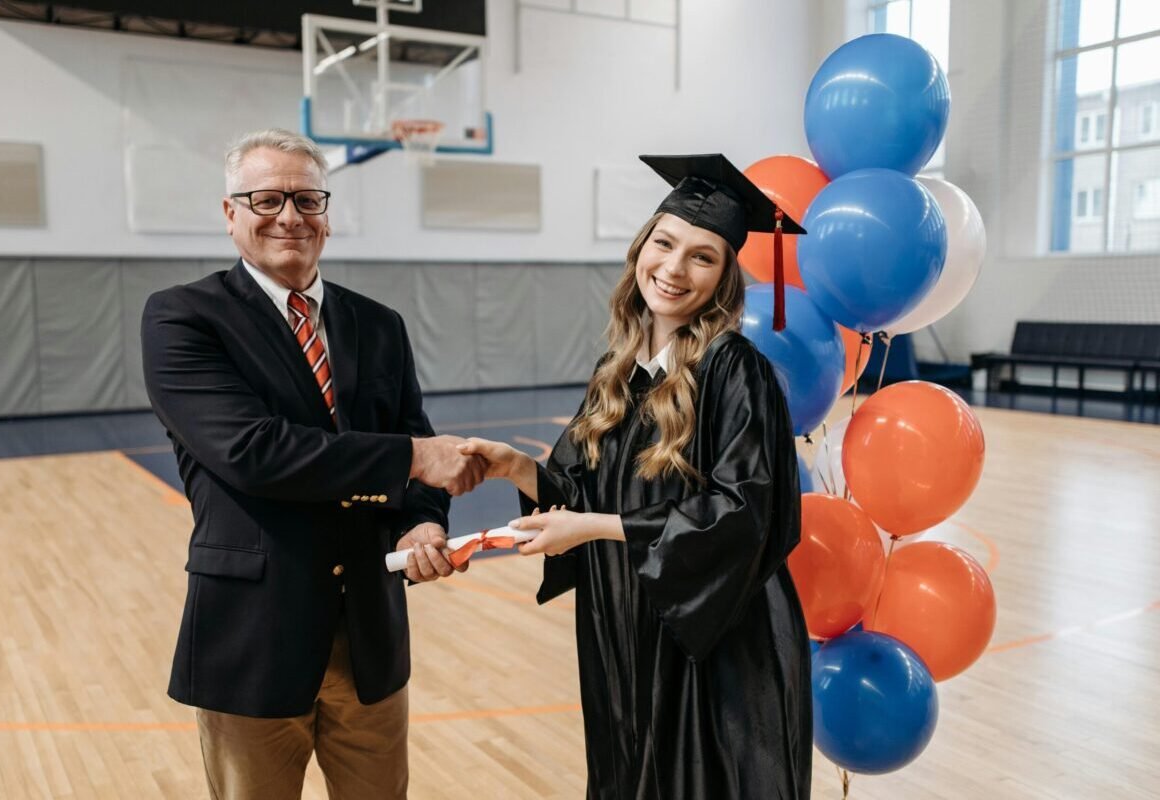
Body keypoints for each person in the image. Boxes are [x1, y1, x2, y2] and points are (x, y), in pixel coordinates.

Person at [141, 128, 481, 800]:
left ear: (326, 212)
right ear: (229, 213)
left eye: (306, 199)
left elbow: (416, 438)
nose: (289, 217)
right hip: (254, 639)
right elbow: (254, 453)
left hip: (370, 637)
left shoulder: (377, 324)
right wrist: (414, 458)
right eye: (265, 200)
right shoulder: (184, 318)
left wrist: (422, 523)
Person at [461, 154, 813, 798]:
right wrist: (513, 466)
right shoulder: (617, 370)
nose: (675, 269)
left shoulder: (736, 371)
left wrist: (589, 525)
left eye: (702, 257)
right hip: (625, 622)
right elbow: (577, 493)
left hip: (710, 637)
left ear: (725, 276)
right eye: (665, 243)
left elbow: (744, 513)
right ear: (641, 248)